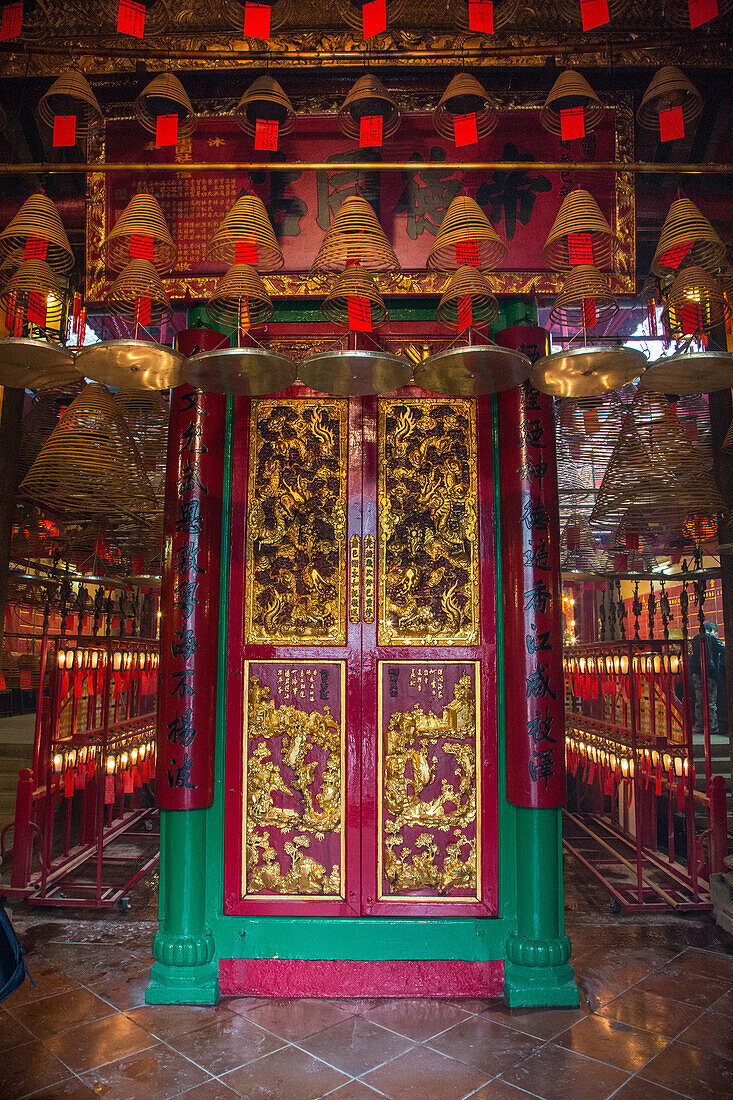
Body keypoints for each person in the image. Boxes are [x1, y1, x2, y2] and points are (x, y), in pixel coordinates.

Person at [690, 621, 726, 734]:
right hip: (709, 673)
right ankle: (712, 726)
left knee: (700, 700)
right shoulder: (711, 637)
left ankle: (700, 725)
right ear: (712, 630)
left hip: (696, 673)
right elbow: (724, 648)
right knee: (710, 701)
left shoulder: (695, 638)